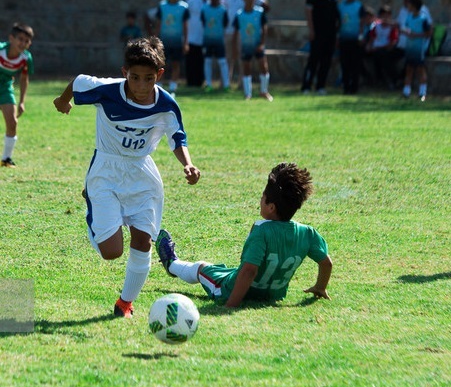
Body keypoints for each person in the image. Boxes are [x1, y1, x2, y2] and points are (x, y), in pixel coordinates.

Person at [53, 37, 201, 318]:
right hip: (106, 170)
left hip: (142, 173)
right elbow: (79, 81)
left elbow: (177, 136)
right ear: (125, 73)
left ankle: (125, 303)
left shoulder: (166, 104)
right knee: (111, 252)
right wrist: (63, 100)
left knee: (143, 240)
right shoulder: (107, 91)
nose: (142, 86)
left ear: (159, 75)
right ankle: (92, 206)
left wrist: (188, 164)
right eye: (135, 78)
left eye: (149, 79)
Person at [156, 162, 333, 308]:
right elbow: (326, 263)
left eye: (263, 197)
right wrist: (320, 287)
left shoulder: (261, 230)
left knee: (202, 268)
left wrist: (230, 304)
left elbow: (249, 271)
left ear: (271, 207)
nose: (260, 201)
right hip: (271, 296)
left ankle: (172, 263)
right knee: (231, 270)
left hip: (230, 290)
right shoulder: (308, 233)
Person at [221, 0, 269, 87]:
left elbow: (265, 4)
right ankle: (226, 83)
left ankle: (243, 84)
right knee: (228, 57)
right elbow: (221, 6)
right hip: (229, 30)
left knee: (242, 59)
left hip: (244, 32)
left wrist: (253, 19)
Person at [0, 23, 34, 168]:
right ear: (11, 38)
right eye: (20, 39)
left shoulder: (26, 58)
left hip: (5, 88)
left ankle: (6, 159)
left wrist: (21, 102)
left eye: (26, 41)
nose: (23, 43)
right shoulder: (1, 49)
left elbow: (24, 79)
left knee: (12, 123)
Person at [301, 0, 340, 95]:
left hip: (330, 33)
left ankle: (320, 86)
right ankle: (306, 85)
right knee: (314, 59)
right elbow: (309, 12)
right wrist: (311, 30)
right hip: (318, 32)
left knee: (326, 60)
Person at [233, 0, 272, 101]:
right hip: (246, 45)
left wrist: (262, 43)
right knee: (246, 67)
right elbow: (236, 32)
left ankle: (264, 91)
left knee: (263, 66)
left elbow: (264, 28)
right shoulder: (240, 14)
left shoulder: (259, 12)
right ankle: (247, 93)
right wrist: (235, 48)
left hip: (258, 44)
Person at [155, 0, 190, 96]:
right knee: (161, 63)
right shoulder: (162, 5)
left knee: (176, 64)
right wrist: (155, 40)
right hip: (163, 41)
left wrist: (186, 42)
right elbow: (158, 23)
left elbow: (185, 26)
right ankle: (159, 87)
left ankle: (172, 88)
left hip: (177, 41)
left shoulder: (184, 7)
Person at [401, 0, 432, 101]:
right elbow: (406, 28)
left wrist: (417, 35)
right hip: (410, 47)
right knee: (409, 69)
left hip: (419, 48)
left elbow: (428, 33)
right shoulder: (409, 17)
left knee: (420, 70)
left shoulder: (423, 18)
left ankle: (422, 92)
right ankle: (406, 92)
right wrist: (406, 33)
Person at [338, 0, 365, 94]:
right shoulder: (341, 6)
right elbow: (338, 22)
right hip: (344, 38)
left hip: (355, 40)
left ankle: (354, 87)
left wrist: (360, 36)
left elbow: (362, 23)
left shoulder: (359, 6)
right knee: (345, 64)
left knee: (355, 65)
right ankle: (346, 86)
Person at [201, 0, 230, 91]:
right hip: (207, 40)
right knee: (207, 61)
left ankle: (226, 85)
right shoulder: (204, 8)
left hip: (219, 40)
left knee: (222, 62)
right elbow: (203, 22)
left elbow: (225, 23)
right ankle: (208, 84)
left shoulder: (223, 10)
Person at [185, 0, 213, 87]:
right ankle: (190, 82)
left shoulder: (211, 3)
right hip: (192, 36)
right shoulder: (192, 1)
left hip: (204, 37)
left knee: (202, 62)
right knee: (191, 61)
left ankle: (200, 82)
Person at [365, 5, 399, 89]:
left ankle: (390, 80)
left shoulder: (392, 28)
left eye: (387, 15)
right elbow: (372, 39)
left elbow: (392, 42)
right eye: (383, 15)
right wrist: (369, 46)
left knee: (382, 57)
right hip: (376, 50)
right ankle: (371, 79)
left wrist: (379, 48)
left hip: (385, 50)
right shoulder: (376, 26)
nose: (385, 17)